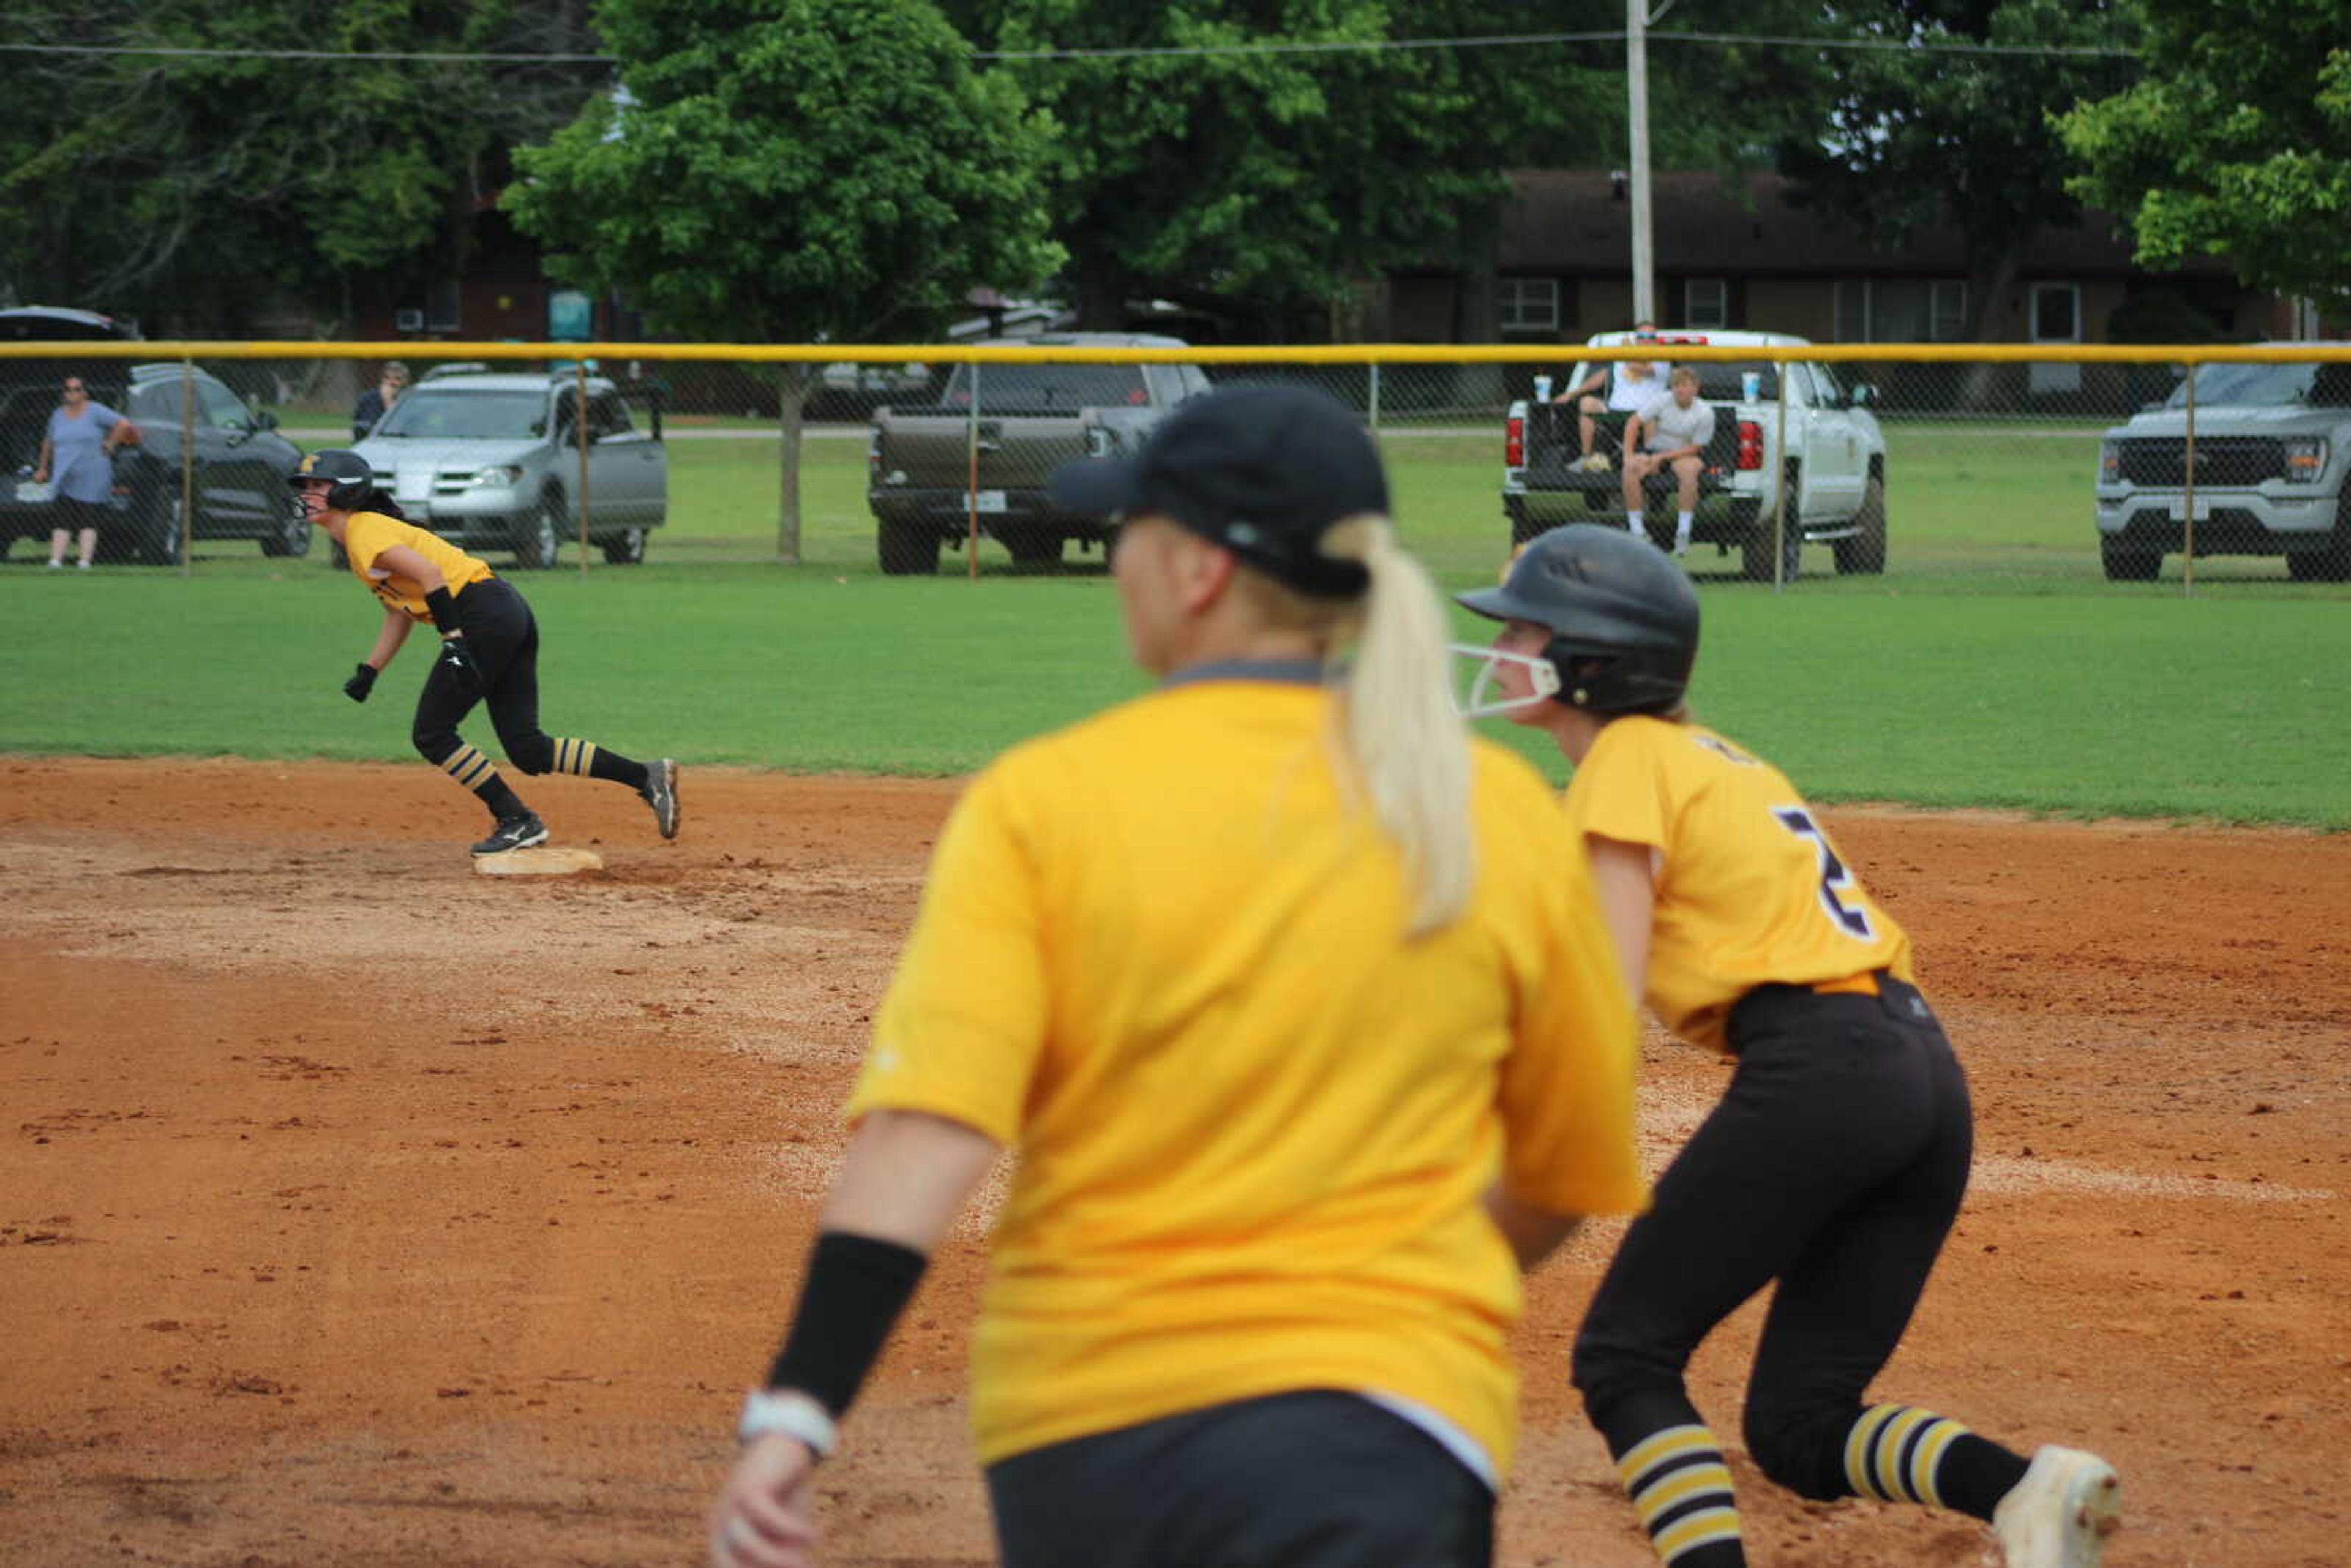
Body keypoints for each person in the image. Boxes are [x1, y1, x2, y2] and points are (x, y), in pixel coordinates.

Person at [703, 386, 1648, 1568]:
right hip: (1403, 1428)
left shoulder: (1049, 802)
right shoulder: (1498, 812)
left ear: (1198, 571)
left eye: (1127, 535)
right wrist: (1394, 1285)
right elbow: (1565, 1167)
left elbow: (922, 1135)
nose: (1115, 565)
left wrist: (799, 1411)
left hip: (1096, 1425)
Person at [1452, 523, 2123, 1568]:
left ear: (1591, 660)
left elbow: (1603, 993)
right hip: (1919, 1074)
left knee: (1624, 1356)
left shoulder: (1624, 758)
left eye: (1521, 630)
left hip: (1823, 1065)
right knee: (1800, 1427)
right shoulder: (1715, 754)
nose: (1498, 652)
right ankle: (2027, 1492)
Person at [289, 448, 680, 857]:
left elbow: (431, 575)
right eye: (305, 487)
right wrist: (371, 669)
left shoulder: (363, 530)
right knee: (527, 748)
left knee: (432, 732)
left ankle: (517, 819)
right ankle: (646, 776)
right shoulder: (363, 537)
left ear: (348, 492)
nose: (308, 494)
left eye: (318, 486)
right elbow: (398, 610)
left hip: (482, 614)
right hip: (502, 609)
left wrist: (454, 640)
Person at [32, 375, 137, 570]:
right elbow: (49, 442)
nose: (72, 393)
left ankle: (84, 560)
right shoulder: (58, 415)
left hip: (92, 472)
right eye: (68, 389)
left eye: (77, 389)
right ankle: (56, 560)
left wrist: (110, 443)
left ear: (84, 392)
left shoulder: (95, 411)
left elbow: (123, 423)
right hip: (65, 473)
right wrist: (43, 467)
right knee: (62, 517)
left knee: (87, 516)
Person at [1620, 366, 1716, 558]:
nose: (1680, 390)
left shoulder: (1705, 412)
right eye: (1677, 385)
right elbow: (1633, 422)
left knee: (1690, 472)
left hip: (1684, 455)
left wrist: (1662, 458)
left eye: (1685, 386)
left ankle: (1683, 532)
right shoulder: (1663, 400)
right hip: (1657, 451)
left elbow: (1696, 448)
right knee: (1630, 469)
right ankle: (1637, 530)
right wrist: (1628, 455)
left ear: (1695, 389)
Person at [1555, 322, 1662, 470]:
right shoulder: (1624, 356)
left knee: (1651, 416)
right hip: (1615, 413)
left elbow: (1646, 370)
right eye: (1641, 337)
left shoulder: (1662, 357)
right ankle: (1587, 458)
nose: (1645, 340)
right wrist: (1571, 394)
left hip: (1644, 416)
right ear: (1636, 339)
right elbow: (1603, 376)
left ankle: (1652, 466)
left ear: (1656, 340)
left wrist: (1625, 354)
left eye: (1650, 337)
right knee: (1587, 402)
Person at [351, 360, 409, 440]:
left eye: (397, 379)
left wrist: (388, 401)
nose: (391, 383)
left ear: (405, 381)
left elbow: (399, 428)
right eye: (387, 378)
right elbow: (362, 425)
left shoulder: (409, 399)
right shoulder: (369, 398)